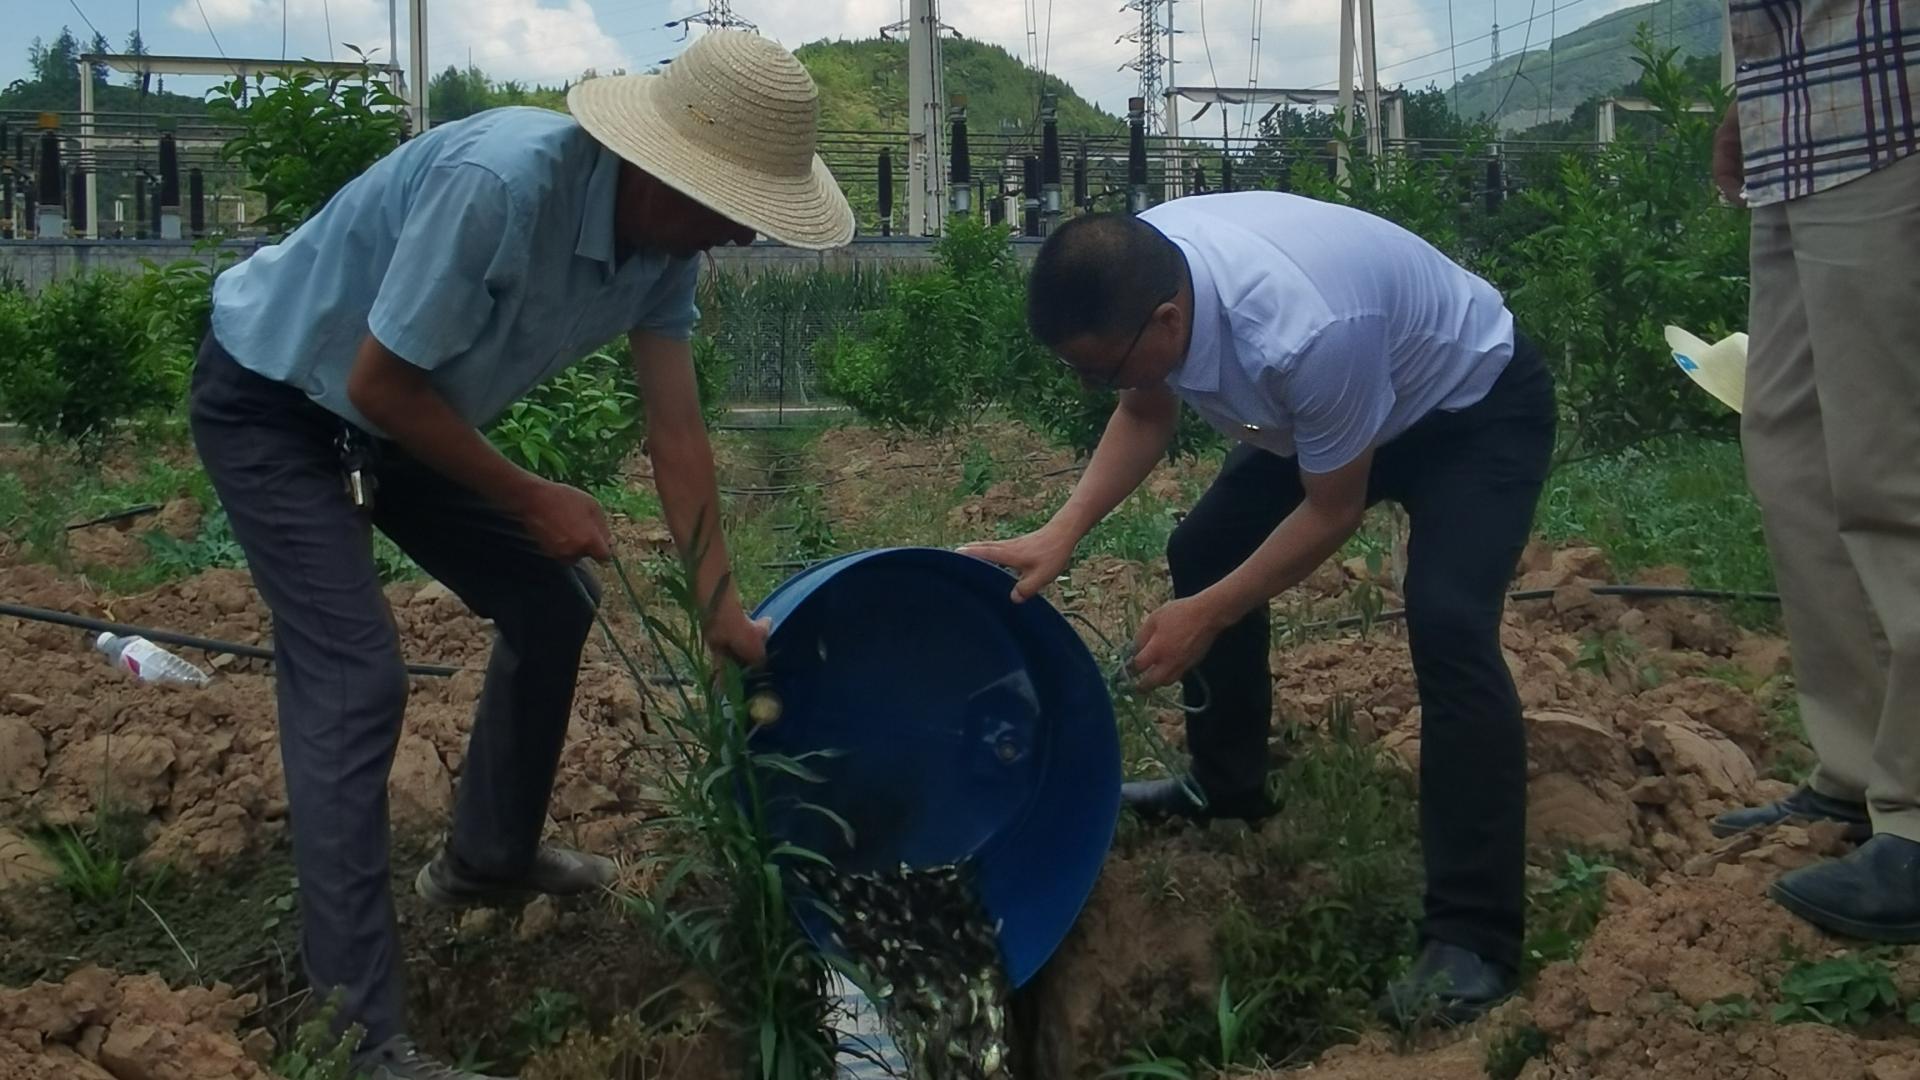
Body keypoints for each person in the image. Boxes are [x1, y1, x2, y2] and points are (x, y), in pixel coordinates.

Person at [187, 31, 854, 1080]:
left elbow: (677, 434)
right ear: (662, 166)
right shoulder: (498, 188)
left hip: (405, 416)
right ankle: (359, 1039)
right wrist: (530, 494)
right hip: (279, 403)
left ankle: (486, 864)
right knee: (355, 675)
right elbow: (378, 386)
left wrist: (720, 608)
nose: (738, 234)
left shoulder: (664, 253)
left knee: (553, 601)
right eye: (733, 204)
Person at [961, 192, 1555, 1024]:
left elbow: (1332, 511)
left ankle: (1473, 938)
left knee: (1450, 624)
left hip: (1470, 410)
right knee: (1202, 547)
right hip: (1344, 406)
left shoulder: (1300, 328)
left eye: (1100, 368)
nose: (1096, 386)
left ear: (1168, 322)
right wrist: (1063, 532)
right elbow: (1145, 405)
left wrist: (1207, 616)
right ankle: (1226, 785)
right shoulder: (1151, 267)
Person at [1703, 1, 1920, 940]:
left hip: (1894, 103)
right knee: (1789, 448)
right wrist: (1748, 99)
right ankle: (1862, 774)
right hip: (1796, 117)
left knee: (1891, 467)